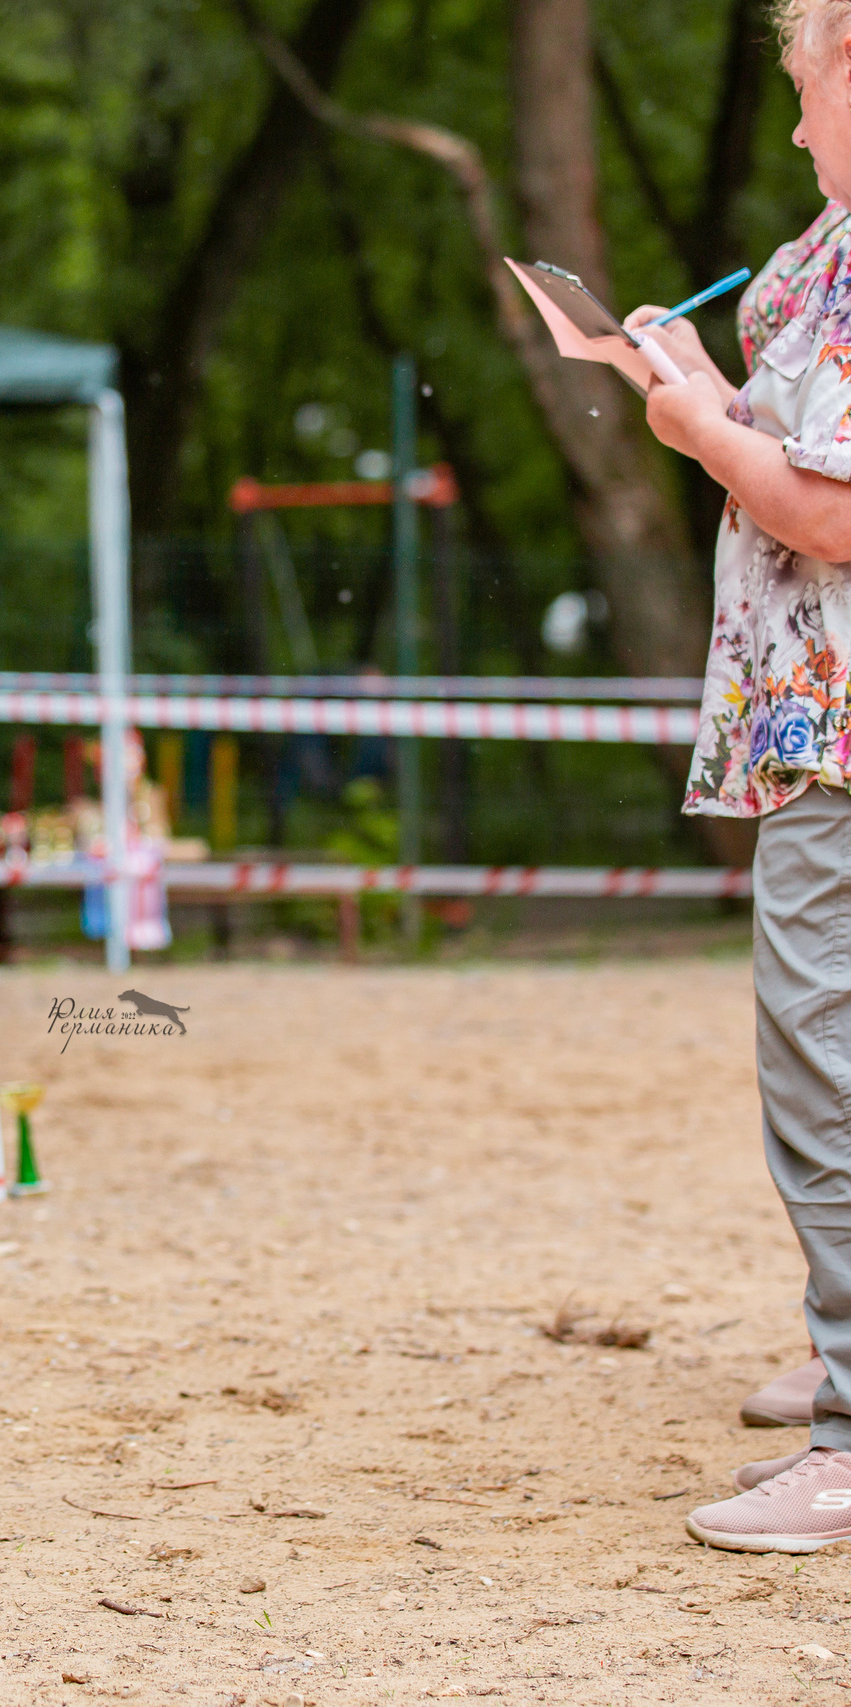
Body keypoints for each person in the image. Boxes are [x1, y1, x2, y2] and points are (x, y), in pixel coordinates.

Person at [644, 0, 851, 1553]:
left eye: (807, 92)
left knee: (826, 1068)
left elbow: (833, 512)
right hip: (816, 724)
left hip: (834, 728)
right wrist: (708, 393)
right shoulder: (819, 259)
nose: (791, 131)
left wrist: (703, 430)